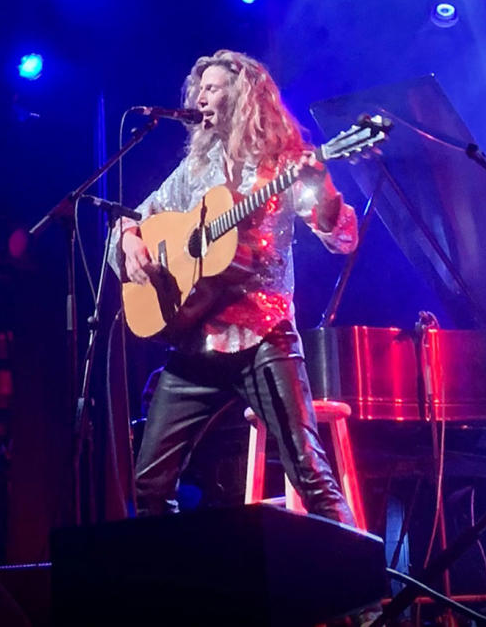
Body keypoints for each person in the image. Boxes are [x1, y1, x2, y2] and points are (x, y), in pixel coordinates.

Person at [110, 49, 359, 526]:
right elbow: (136, 217)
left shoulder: (282, 163)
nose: (199, 96)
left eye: (212, 87)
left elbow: (342, 237)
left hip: (263, 337)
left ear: (242, 97)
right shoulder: (195, 171)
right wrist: (129, 242)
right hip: (196, 339)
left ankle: (365, 599)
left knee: (309, 472)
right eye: (198, 88)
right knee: (149, 484)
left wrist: (323, 186)